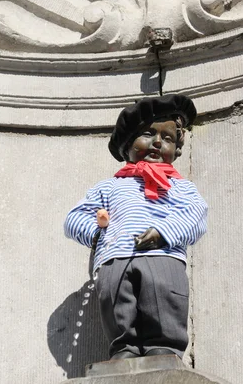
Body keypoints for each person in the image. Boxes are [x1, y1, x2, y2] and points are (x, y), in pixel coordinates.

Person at [64, 94, 208, 360]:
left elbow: (196, 215)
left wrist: (164, 233)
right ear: (128, 143)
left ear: (176, 149)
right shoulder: (109, 186)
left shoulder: (179, 186)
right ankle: (123, 350)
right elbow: (74, 218)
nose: (156, 142)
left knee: (164, 300)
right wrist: (98, 232)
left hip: (162, 258)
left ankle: (163, 349)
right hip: (115, 260)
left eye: (167, 138)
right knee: (117, 305)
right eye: (147, 134)